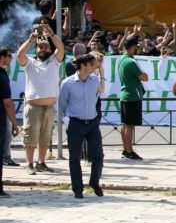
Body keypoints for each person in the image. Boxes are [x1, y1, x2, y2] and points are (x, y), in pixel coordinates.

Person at [16, 22, 64, 175]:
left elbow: (61, 48)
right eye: (40, 47)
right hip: (33, 107)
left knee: (45, 137)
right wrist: (31, 40)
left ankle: (41, 163)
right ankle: (29, 164)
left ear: (50, 50)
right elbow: (20, 55)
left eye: (46, 47)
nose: (43, 49)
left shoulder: (54, 62)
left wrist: (51, 34)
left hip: (49, 107)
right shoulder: (30, 63)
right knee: (30, 137)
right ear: (36, 50)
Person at [58, 54, 105, 199]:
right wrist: (67, 120)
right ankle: (77, 188)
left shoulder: (95, 80)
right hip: (76, 123)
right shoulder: (67, 83)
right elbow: (62, 104)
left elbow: (100, 93)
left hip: (92, 123)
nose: (94, 66)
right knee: (74, 157)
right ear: (83, 65)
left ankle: (94, 182)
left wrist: (102, 74)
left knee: (98, 155)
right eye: (91, 64)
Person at [117, 36, 148, 160]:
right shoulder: (131, 61)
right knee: (130, 125)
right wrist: (145, 74)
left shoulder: (122, 60)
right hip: (132, 96)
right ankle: (129, 151)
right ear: (133, 47)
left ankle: (125, 150)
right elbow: (144, 77)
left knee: (125, 124)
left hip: (125, 95)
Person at [0, 47, 19, 197]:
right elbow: (7, 103)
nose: (11, 59)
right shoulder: (2, 76)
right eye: (8, 56)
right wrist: (14, 123)